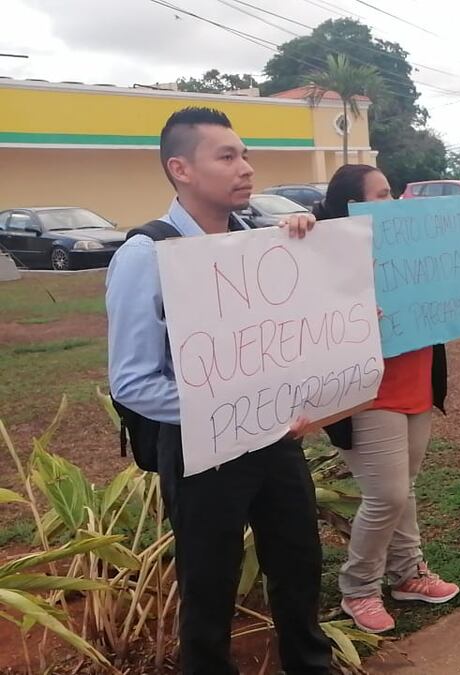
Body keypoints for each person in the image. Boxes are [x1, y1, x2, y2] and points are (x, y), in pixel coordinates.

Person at [106, 107, 331, 674]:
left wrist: (304, 247)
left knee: (298, 563)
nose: (246, 168)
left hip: (274, 438)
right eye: (227, 157)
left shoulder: (258, 245)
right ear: (180, 169)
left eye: (245, 154)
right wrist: (224, 410)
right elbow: (132, 381)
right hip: (201, 449)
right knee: (208, 585)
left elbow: (291, 337)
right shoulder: (145, 255)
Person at [313, 164, 460, 634]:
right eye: (380, 195)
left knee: (404, 488)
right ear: (350, 206)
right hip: (367, 393)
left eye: (392, 192)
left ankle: (408, 573)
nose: (393, 203)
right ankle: (358, 588)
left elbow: (435, 294)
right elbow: (311, 326)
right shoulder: (326, 256)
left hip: (416, 381)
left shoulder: (414, 245)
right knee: (387, 494)